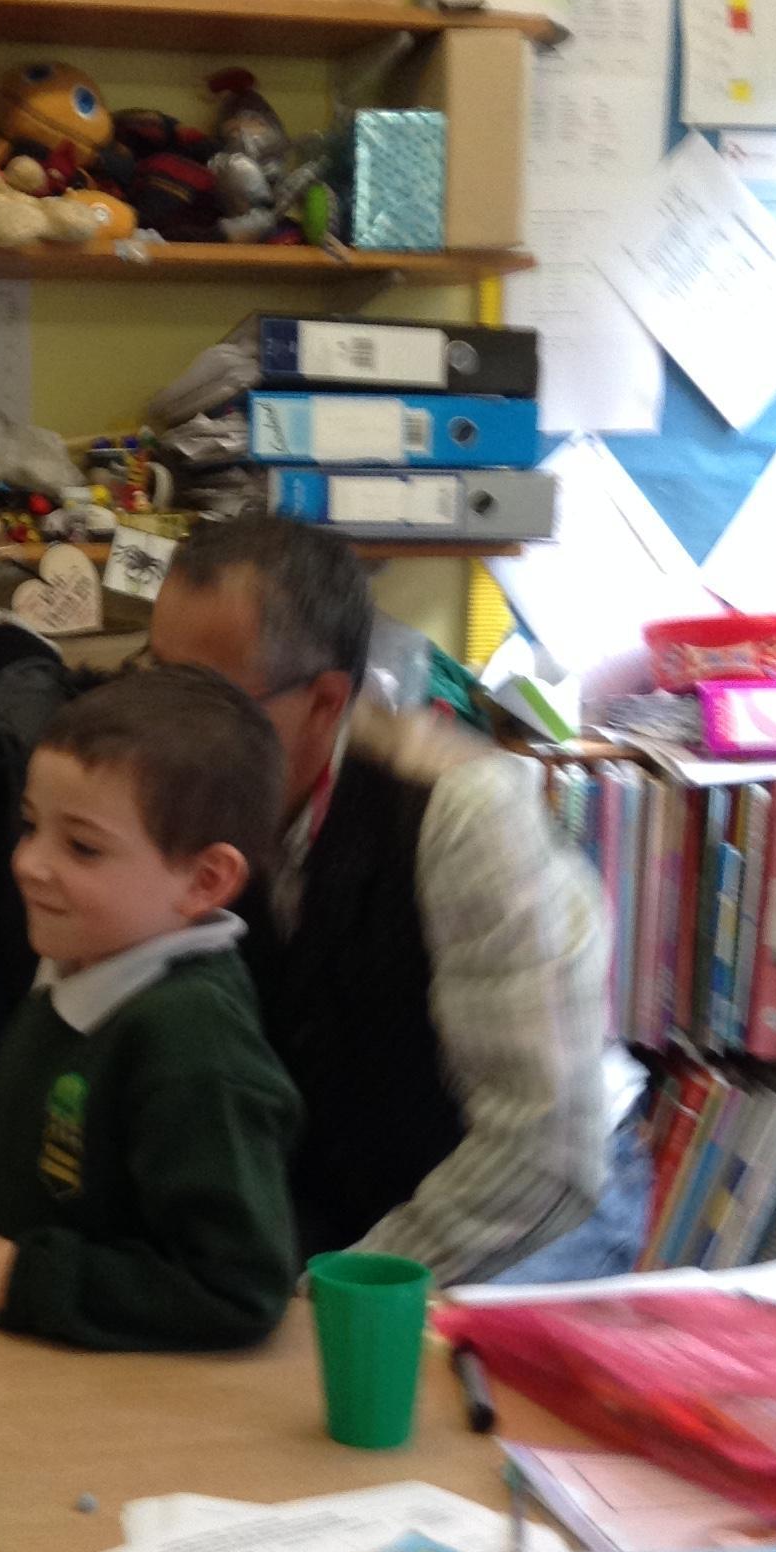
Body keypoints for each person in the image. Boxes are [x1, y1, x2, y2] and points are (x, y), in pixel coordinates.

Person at [147, 514, 614, 1287]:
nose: (161, 729)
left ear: (326, 703)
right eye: (155, 678)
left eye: (205, 700)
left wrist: (329, 1297)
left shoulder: (460, 813)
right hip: (350, 1189)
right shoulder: (185, 791)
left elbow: (544, 1155)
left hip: (525, 1206)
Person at [0, 667, 301, 1350]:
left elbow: (237, 1286)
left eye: (82, 846)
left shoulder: (195, 1045)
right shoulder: (81, 963)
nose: (28, 863)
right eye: (30, 826)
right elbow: (64, 1175)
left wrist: (17, 1280)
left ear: (205, 880)